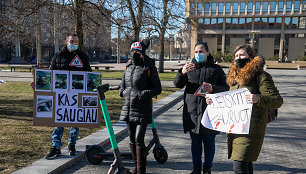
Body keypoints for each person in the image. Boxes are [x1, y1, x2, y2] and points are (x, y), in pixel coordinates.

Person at [207, 44, 283, 174]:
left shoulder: (261, 76)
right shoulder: (234, 78)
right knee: (246, 164)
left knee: (239, 166)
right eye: (236, 55)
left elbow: (277, 100)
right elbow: (229, 100)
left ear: (250, 57)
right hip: (235, 128)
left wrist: (257, 99)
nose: (238, 58)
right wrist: (213, 101)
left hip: (251, 130)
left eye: (242, 55)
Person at [30, 33, 92, 159]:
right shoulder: (58, 56)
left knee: (75, 120)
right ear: (66, 42)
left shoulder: (82, 56)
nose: (74, 44)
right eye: (72, 41)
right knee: (59, 120)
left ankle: (72, 144)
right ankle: (55, 147)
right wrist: (38, 85)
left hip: (76, 95)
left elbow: (89, 74)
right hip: (61, 95)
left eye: (76, 42)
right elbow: (50, 74)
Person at [173, 42, 228, 174]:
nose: (198, 54)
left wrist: (213, 88)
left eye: (201, 51)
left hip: (210, 111)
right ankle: (196, 168)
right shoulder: (189, 68)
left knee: (209, 142)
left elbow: (226, 88)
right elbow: (177, 84)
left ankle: (207, 168)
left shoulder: (216, 69)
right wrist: (182, 72)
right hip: (192, 111)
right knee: (195, 142)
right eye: (196, 52)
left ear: (208, 53)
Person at [119, 39, 161, 174]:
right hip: (128, 108)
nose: (134, 54)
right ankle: (136, 168)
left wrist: (142, 94)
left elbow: (157, 88)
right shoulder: (128, 66)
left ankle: (141, 170)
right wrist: (123, 92)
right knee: (131, 140)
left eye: (137, 52)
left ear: (143, 53)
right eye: (133, 51)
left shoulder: (149, 66)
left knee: (139, 139)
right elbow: (122, 85)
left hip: (142, 109)